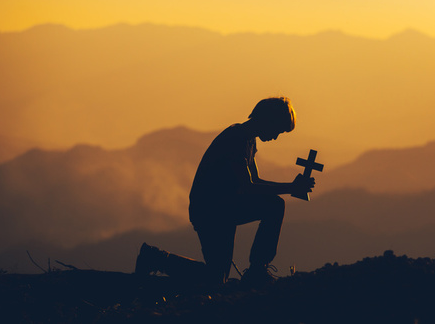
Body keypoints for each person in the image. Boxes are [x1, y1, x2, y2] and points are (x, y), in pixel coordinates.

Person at [135, 97, 315, 288]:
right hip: (212, 211)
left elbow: (254, 181)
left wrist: (290, 186)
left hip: (223, 209)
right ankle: (257, 270)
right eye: (277, 129)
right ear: (267, 120)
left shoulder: (248, 140)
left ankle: (155, 258)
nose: (276, 136)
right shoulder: (237, 139)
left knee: (216, 277)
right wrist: (290, 188)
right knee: (275, 206)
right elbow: (249, 186)